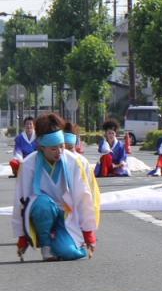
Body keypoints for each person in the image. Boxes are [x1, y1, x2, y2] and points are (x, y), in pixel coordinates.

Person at [12, 112, 100, 262]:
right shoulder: (28, 164)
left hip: (66, 215)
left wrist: (88, 233)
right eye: (53, 149)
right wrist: (22, 237)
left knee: (70, 253)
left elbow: (83, 197)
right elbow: (21, 201)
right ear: (41, 146)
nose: (59, 152)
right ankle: (45, 244)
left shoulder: (74, 162)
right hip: (42, 212)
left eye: (61, 146)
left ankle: (57, 238)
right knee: (41, 204)